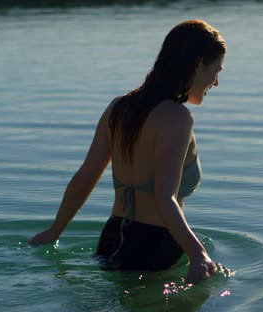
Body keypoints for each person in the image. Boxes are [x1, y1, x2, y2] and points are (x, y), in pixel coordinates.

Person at [28, 19, 226, 284]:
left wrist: (54, 231)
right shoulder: (178, 118)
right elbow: (164, 197)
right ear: (198, 63)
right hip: (155, 246)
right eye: (216, 70)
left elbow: (85, 177)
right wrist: (198, 253)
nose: (216, 82)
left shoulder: (118, 108)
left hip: (110, 239)